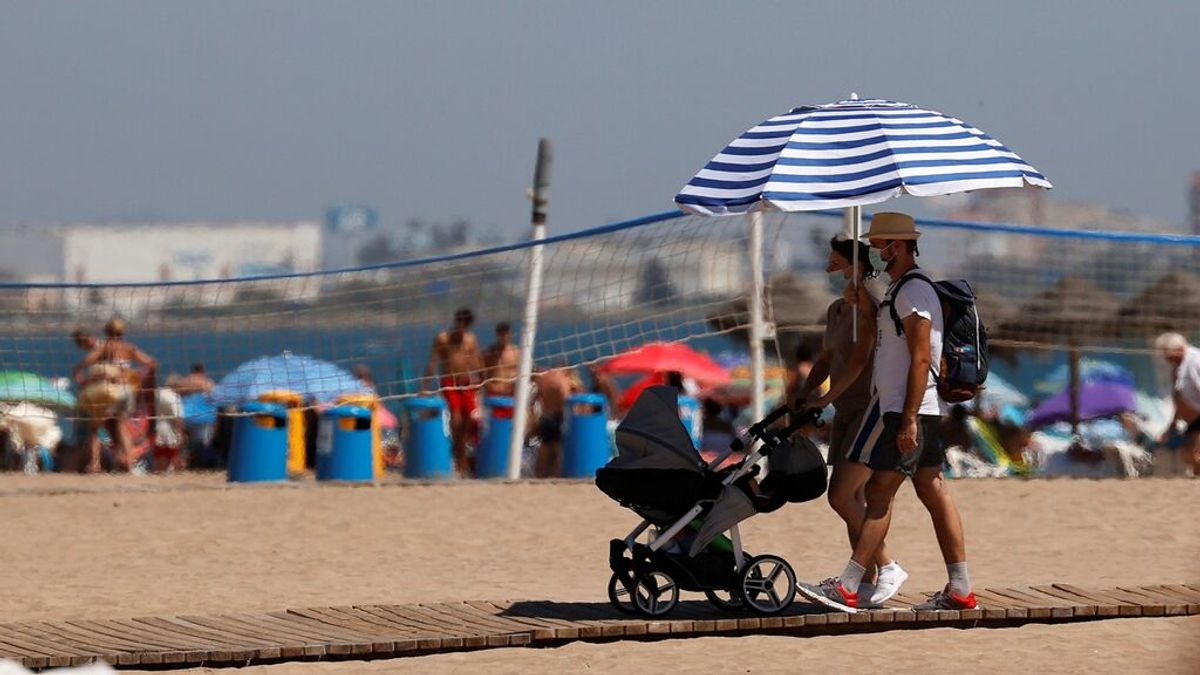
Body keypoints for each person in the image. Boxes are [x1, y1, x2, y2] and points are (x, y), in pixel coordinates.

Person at [800, 212, 975, 612]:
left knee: (878, 492)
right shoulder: (902, 290)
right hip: (916, 407)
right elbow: (890, 348)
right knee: (933, 491)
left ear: (896, 246)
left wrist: (908, 417)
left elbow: (918, 358)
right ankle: (961, 588)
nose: (875, 252)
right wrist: (860, 296)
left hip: (903, 408)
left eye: (879, 245)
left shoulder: (913, 291)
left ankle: (852, 583)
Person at [799, 235, 908, 607]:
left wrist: (825, 397)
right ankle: (866, 579)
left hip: (868, 408)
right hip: (845, 412)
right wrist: (804, 391)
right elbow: (828, 358)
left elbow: (862, 360)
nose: (829, 269)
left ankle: (887, 565)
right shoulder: (836, 310)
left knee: (842, 495)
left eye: (835, 263)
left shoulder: (871, 310)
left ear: (855, 268)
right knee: (853, 498)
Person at [76, 318, 157, 472]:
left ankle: (95, 464)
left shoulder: (106, 347)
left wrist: (78, 370)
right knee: (120, 424)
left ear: (106, 332)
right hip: (128, 391)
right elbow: (151, 363)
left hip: (112, 390)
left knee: (96, 427)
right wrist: (135, 376)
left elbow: (89, 359)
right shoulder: (130, 348)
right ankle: (129, 461)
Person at [423, 307, 484, 476]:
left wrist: (483, 380)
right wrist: (424, 387)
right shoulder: (443, 339)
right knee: (456, 419)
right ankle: (458, 456)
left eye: (465, 324)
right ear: (456, 322)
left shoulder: (471, 339)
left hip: (466, 383)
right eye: (460, 323)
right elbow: (432, 363)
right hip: (449, 382)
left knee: (469, 421)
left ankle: (462, 457)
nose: (462, 327)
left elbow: (476, 362)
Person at [1154, 332, 1200, 476]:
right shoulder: (1179, 366)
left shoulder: (1196, 361)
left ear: (1179, 349)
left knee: (1195, 455)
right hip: (1193, 420)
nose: (1168, 361)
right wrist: (1172, 425)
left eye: (1169, 357)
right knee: (1188, 456)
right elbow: (1179, 399)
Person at [533, 365, 578, 477]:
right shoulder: (564, 380)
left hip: (545, 416)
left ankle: (539, 475)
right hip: (559, 416)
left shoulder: (544, 378)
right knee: (558, 450)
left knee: (544, 449)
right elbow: (565, 398)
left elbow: (536, 398)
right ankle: (555, 476)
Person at [482, 322, 520, 397]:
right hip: (493, 395)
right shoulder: (489, 353)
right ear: (497, 335)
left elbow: (524, 372)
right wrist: (490, 386)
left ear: (510, 335)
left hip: (512, 394)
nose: (504, 337)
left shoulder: (517, 352)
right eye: (501, 335)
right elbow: (480, 372)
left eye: (506, 334)